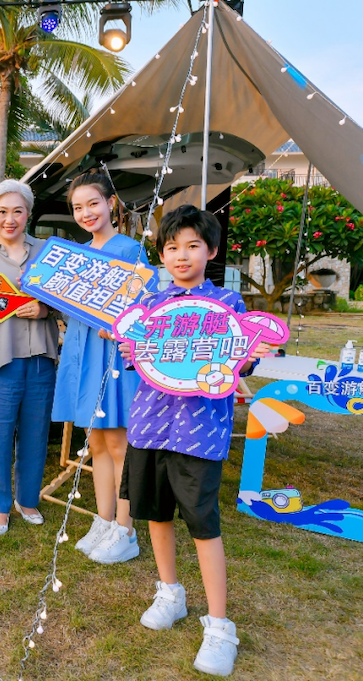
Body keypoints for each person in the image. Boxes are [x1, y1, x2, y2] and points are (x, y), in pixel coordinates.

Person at [119, 205, 273, 677]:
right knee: (156, 514)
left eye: (191, 246)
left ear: (211, 250)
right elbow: (135, 359)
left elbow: (241, 363)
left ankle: (220, 626)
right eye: (171, 248)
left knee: (203, 524)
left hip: (199, 435)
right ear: (161, 254)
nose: (181, 256)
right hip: (148, 426)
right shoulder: (149, 306)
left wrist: (251, 356)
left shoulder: (228, 305)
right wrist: (127, 344)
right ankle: (170, 593)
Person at [51, 171, 150, 564]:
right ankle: (104, 519)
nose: (86, 212)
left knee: (118, 443)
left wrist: (123, 328)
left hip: (115, 356)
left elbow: (146, 307)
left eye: (93, 203)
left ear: (111, 203)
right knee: (94, 442)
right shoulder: (77, 252)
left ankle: (126, 529)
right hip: (82, 350)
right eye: (78, 207)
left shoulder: (130, 250)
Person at [0, 180, 59, 535]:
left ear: (28, 214)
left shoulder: (49, 254)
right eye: (2, 212)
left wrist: (45, 310)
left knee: (36, 433)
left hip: (40, 356)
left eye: (17, 211)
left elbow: (67, 303)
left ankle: (27, 499)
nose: (10, 219)